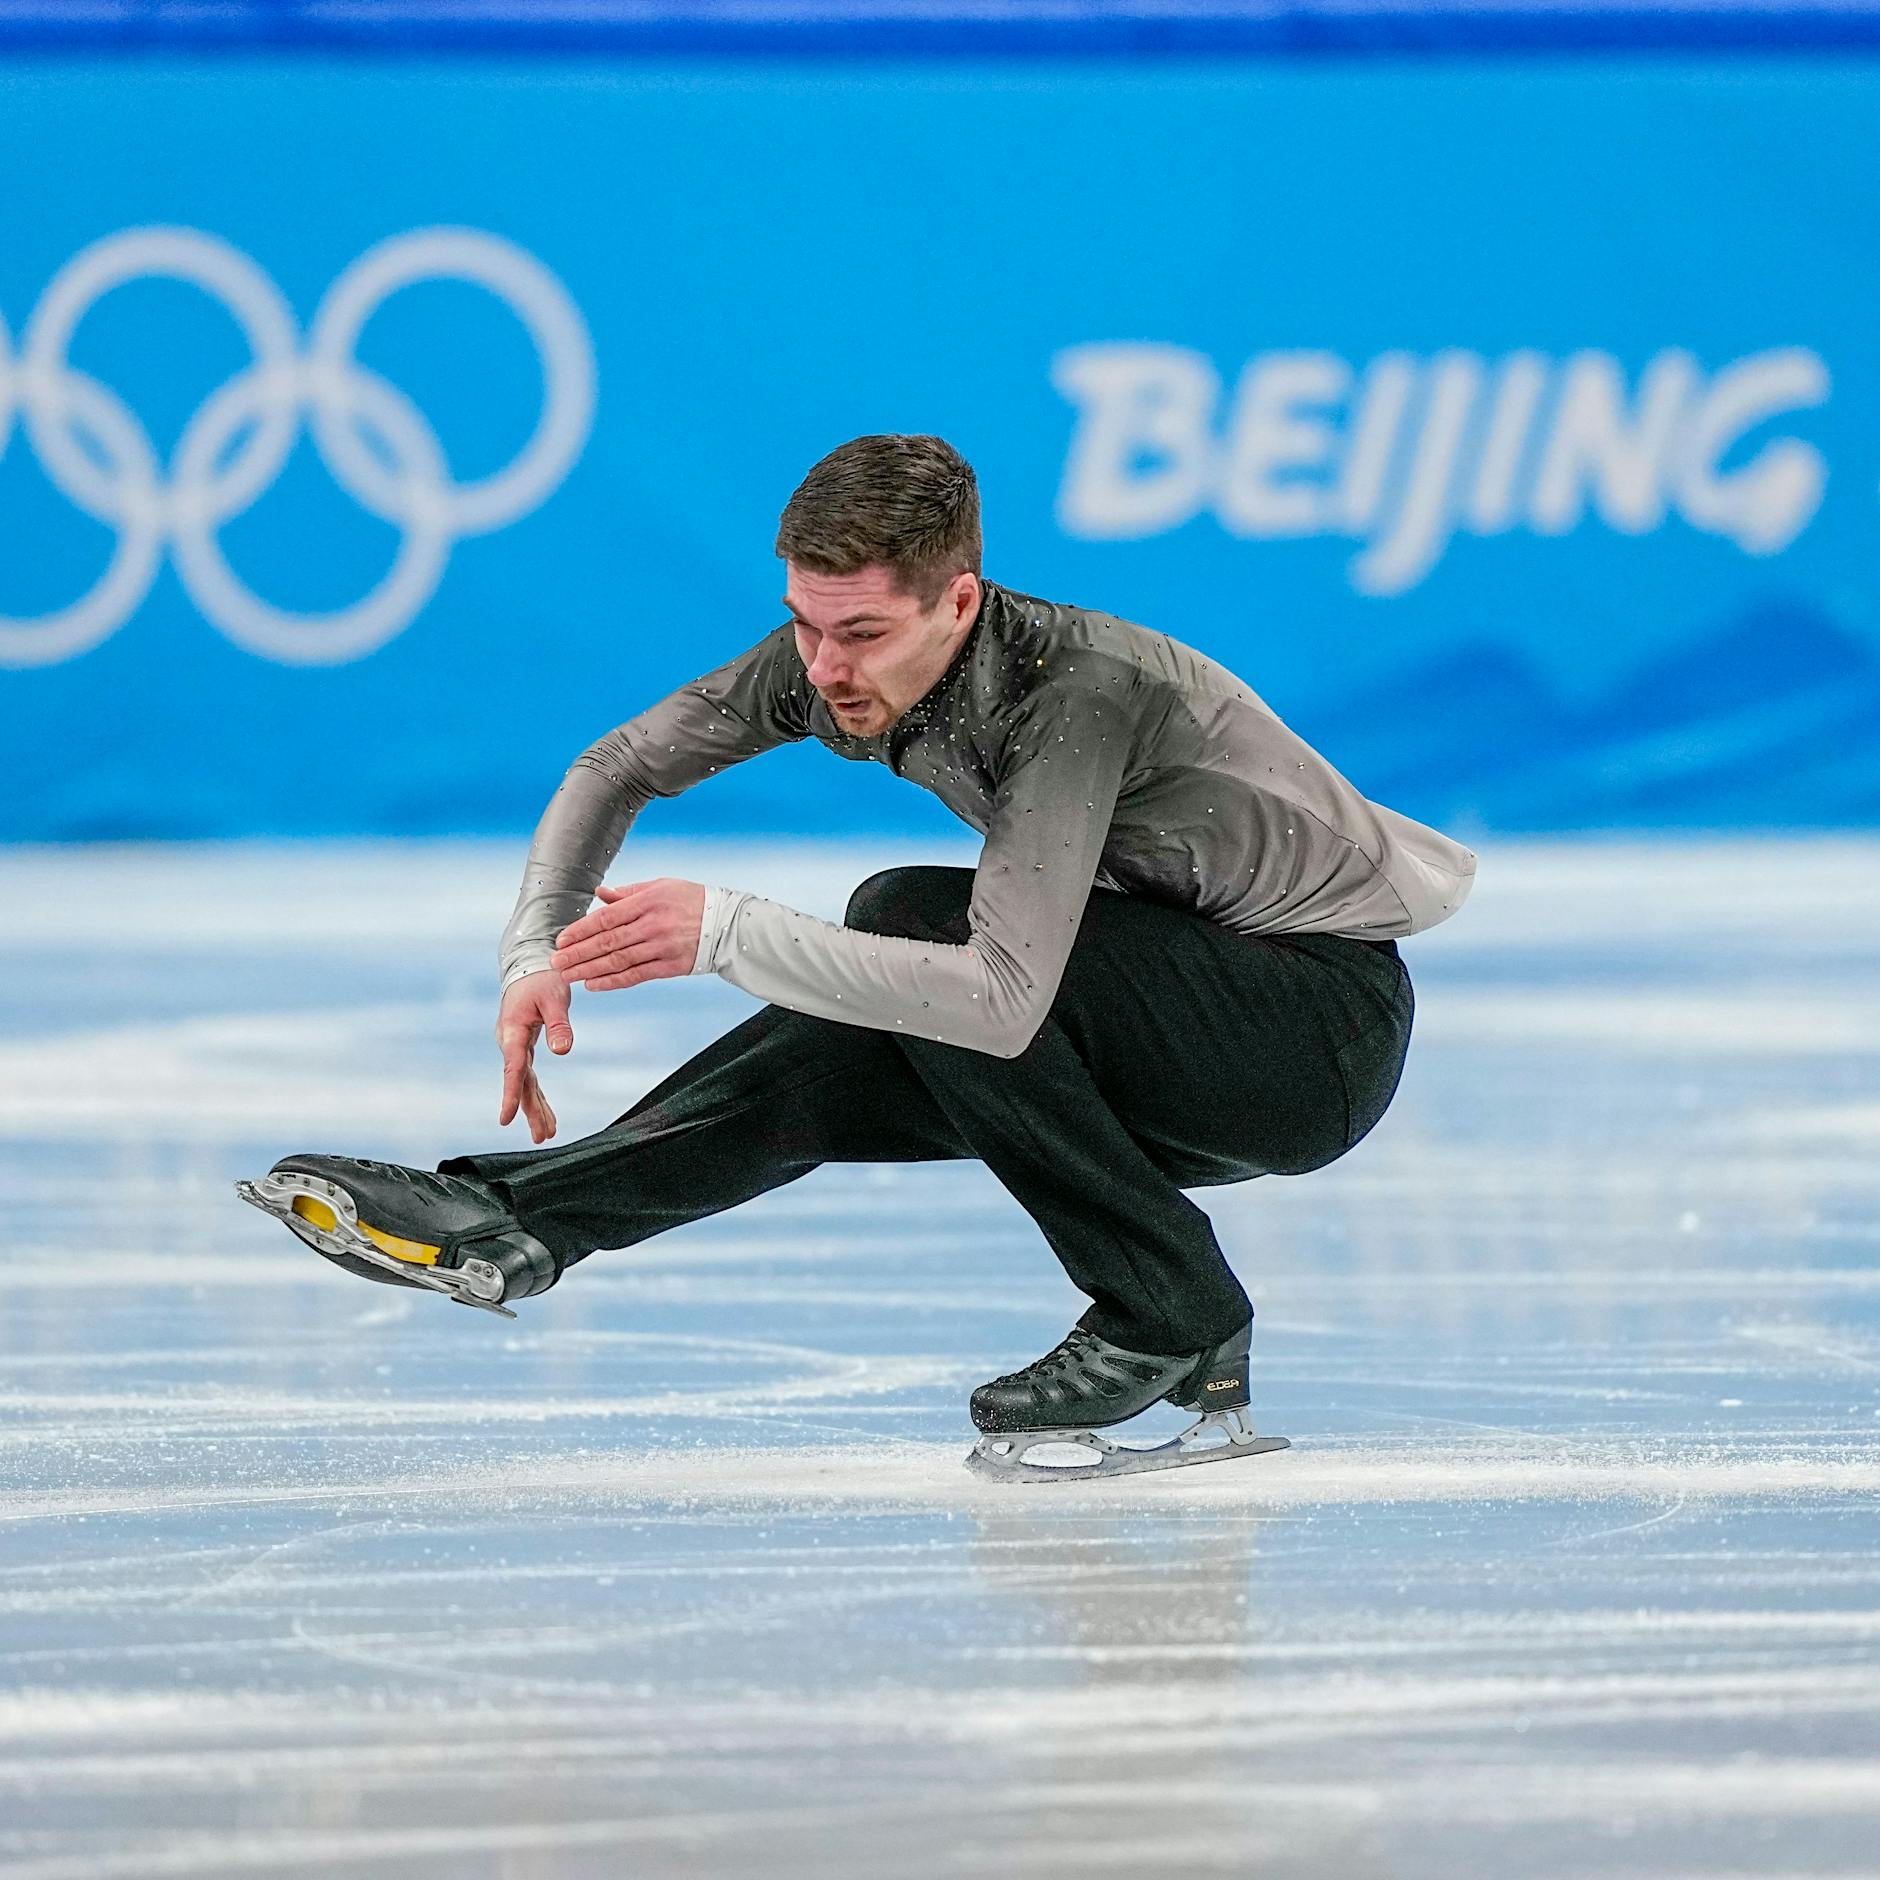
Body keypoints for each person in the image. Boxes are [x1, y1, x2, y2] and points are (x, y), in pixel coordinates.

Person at [239, 433, 1475, 1481]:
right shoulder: (836, 658)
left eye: (861, 633)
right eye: (804, 626)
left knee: (911, 922)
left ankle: (1169, 1306)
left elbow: (996, 999)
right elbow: (616, 768)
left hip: (1310, 1035)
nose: (824, 669)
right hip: (1168, 1002)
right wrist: (533, 945)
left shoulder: (1077, 691)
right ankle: (518, 1220)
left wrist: (727, 933)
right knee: (849, 1033)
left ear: (960, 600)